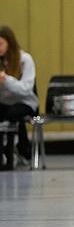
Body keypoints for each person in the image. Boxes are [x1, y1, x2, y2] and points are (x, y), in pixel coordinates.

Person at [0, 25, 37, 164]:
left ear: (9, 42)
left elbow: (26, 89)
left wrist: (7, 80)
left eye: (1, 44)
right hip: (4, 101)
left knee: (14, 113)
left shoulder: (25, 60)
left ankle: (21, 148)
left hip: (25, 101)